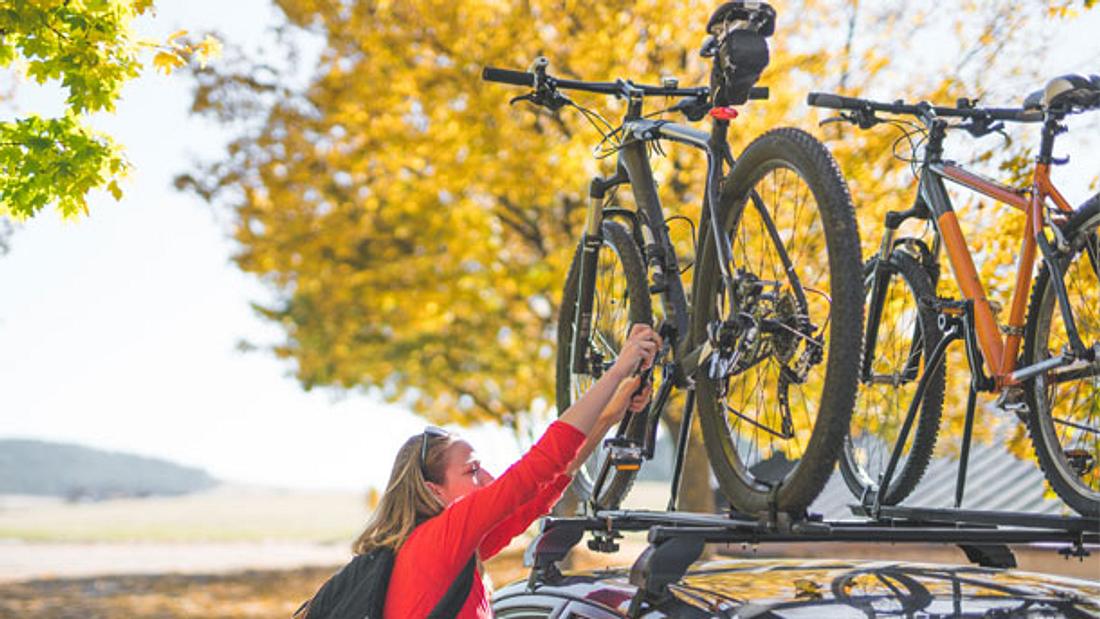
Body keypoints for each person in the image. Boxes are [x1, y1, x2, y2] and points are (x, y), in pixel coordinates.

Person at [355, 323, 660, 619]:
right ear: (433, 489)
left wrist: (608, 416)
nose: (487, 478)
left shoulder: (449, 552)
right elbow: (538, 467)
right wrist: (618, 370)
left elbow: (543, 488)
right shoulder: (438, 541)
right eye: (472, 471)